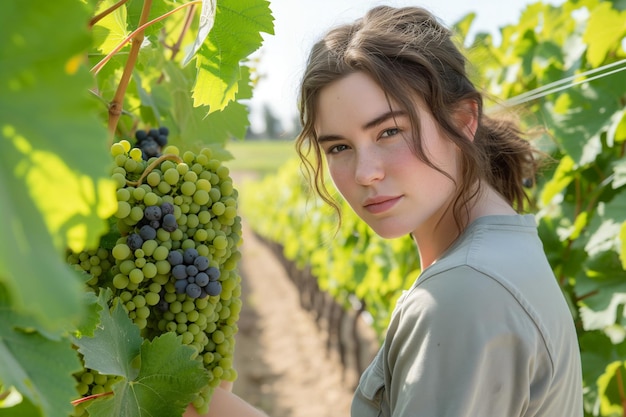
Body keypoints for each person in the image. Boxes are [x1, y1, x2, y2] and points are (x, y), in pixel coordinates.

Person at [199, 5, 584, 417]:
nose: (365, 174)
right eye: (339, 148)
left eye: (389, 132)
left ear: (464, 120)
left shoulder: (466, 292)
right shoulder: (501, 258)